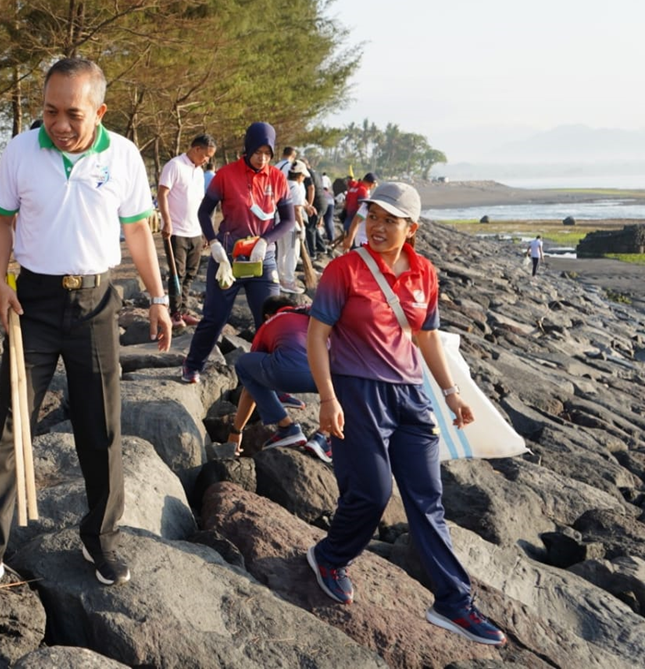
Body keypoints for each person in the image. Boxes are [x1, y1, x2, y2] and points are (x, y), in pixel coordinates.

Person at [0, 57, 172, 591]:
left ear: (98, 110)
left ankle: (100, 537)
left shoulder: (123, 157)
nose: (59, 123)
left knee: (101, 427)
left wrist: (159, 297)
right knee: (10, 425)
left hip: (96, 302)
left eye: (72, 113)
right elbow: (0, 222)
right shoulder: (21, 152)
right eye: (50, 110)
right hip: (33, 302)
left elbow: (139, 233)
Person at [305, 182, 506, 646]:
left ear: (410, 228)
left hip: (411, 397)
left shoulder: (424, 273)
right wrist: (327, 397)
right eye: (372, 216)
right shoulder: (344, 270)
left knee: (427, 500)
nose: (376, 226)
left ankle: (454, 603)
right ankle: (330, 557)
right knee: (371, 495)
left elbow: (426, 337)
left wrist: (452, 394)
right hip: (357, 394)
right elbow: (317, 336)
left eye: (389, 220)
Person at [180, 121, 295, 385]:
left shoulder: (277, 178)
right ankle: (192, 365)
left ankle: (274, 379)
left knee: (272, 319)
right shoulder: (226, 175)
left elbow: (288, 220)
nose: (262, 158)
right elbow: (203, 212)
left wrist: (266, 241)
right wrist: (214, 242)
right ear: (247, 148)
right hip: (227, 259)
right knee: (215, 317)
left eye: (268, 153)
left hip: (261, 260)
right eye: (258, 152)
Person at [226, 295, 330, 461]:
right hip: (328, 379)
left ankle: (287, 428)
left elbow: (250, 387)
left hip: (291, 374)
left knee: (244, 365)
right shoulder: (311, 314)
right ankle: (323, 437)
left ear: (268, 315)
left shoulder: (270, 323)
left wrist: (236, 430)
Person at [157, 134, 217, 327]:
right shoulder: (174, 165)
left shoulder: (199, 172)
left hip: (195, 231)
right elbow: (162, 194)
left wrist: (206, 230)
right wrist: (166, 221)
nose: (207, 160)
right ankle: (174, 313)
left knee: (190, 274)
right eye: (206, 155)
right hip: (176, 231)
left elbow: (200, 203)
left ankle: (183, 310)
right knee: (177, 273)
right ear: (196, 149)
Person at [277, 162, 309, 294]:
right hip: (291, 226)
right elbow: (296, 210)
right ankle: (289, 281)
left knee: (282, 253)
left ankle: (280, 279)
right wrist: (301, 227)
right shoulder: (297, 187)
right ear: (300, 175)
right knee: (292, 254)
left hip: (279, 224)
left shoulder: (284, 184)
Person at [337, 172, 376, 250]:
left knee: (349, 247)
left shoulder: (353, 188)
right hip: (356, 224)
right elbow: (361, 207)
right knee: (355, 249)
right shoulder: (363, 190)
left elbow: (346, 203)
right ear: (371, 183)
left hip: (348, 220)